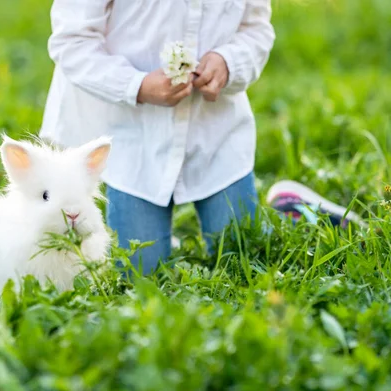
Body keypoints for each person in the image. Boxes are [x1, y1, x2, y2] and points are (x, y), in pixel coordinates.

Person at [39, 0, 360, 274]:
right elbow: (72, 41)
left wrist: (228, 62)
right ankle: (156, 235)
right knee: (141, 271)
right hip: (128, 135)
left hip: (211, 129)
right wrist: (136, 86)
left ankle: (296, 211)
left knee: (244, 253)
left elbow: (256, 29)